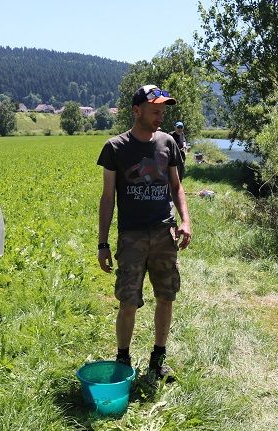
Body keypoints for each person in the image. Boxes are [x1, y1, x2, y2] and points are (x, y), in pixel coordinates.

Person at [96, 85, 192, 381]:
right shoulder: (115, 147)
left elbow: (176, 186)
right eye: (155, 112)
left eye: (163, 113)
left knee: (166, 296)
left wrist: (186, 221)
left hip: (165, 232)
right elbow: (107, 198)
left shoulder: (167, 142)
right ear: (136, 110)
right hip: (132, 236)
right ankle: (123, 361)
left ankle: (158, 361)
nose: (160, 118)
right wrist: (102, 243)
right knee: (128, 302)